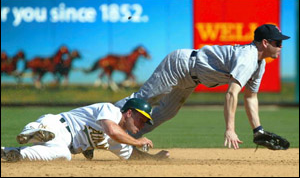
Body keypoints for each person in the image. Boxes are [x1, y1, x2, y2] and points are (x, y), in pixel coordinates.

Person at [115, 24, 290, 150]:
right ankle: (101, 120)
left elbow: (251, 97)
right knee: (144, 99)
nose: (281, 47)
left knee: (166, 112)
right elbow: (231, 94)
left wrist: (257, 130)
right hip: (180, 65)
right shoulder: (248, 58)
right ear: (265, 43)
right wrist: (230, 129)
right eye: (278, 43)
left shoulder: (260, 64)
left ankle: (126, 140)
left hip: (191, 79)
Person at [1, 98, 170, 162]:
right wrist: (138, 141)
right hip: (58, 124)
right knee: (45, 130)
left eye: (146, 122)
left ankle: (13, 153)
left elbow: (133, 155)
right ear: (129, 112)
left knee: (64, 155)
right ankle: (31, 132)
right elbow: (111, 130)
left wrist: (155, 159)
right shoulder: (110, 110)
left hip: (65, 143)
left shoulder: (120, 140)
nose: (142, 124)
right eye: (141, 119)